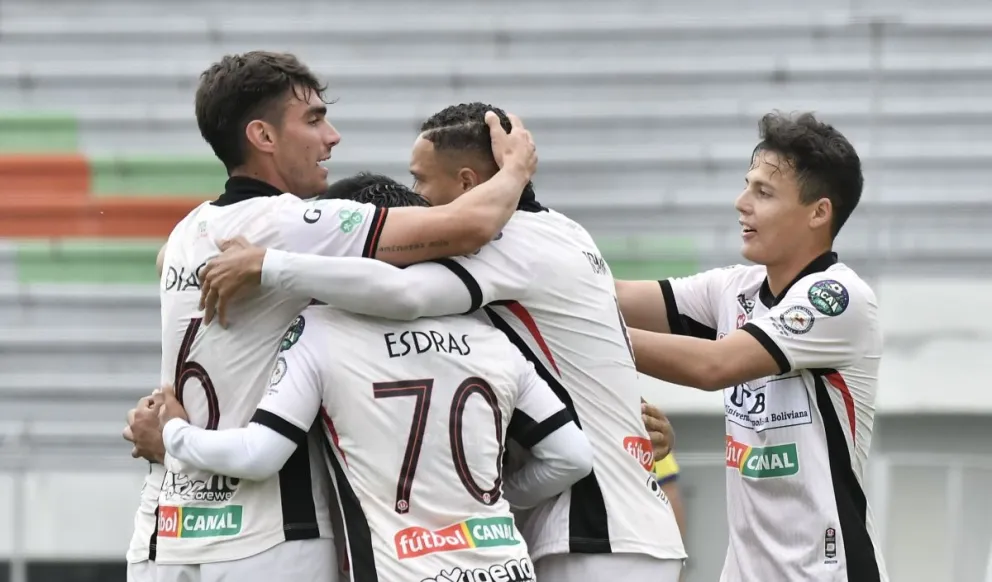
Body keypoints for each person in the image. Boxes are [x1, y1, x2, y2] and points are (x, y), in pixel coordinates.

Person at [192, 104, 687, 582]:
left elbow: (402, 291)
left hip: (588, 527)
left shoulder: (503, 243)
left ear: (468, 183)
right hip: (626, 520)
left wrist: (270, 265)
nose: (414, 196)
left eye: (421, 180)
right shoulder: (566, 231)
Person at [122, 53, 537, 582]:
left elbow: (171, 272)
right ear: (263, 137)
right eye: (314, 120)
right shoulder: (294, 223)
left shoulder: (188, 232)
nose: (332, 137)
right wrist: (518, 168)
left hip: (168, 529)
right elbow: (468, 225)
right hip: (269, 534)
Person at [131, 178, 594, 582]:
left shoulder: (320, 333)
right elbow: (571, 456)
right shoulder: (490, 338)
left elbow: (260, 452)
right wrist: (490, 501)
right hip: (505, 567)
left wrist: (173, 433)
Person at [616, 112, 889, 581]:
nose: (741, 203)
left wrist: (588, 335)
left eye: (763, 192)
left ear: (818, 212)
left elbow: (713, 367)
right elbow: (610, 298)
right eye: (747, 186)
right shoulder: (733, 289)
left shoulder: (839, 298)